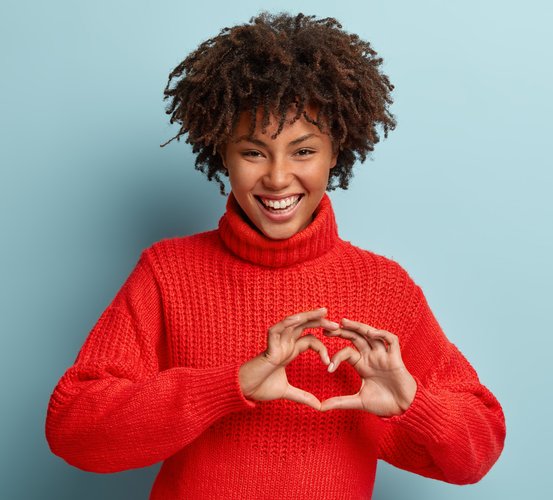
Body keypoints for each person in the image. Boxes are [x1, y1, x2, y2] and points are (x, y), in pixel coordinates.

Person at [45, 11, 506, 499]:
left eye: (303, 151)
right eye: (253, 152)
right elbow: (74, 426)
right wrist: (229, 386)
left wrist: (413, 404)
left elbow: (476, 450)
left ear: (336, 150)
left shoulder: (383, 287)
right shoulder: (168, 272)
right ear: (221, 151)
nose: (279, 178)